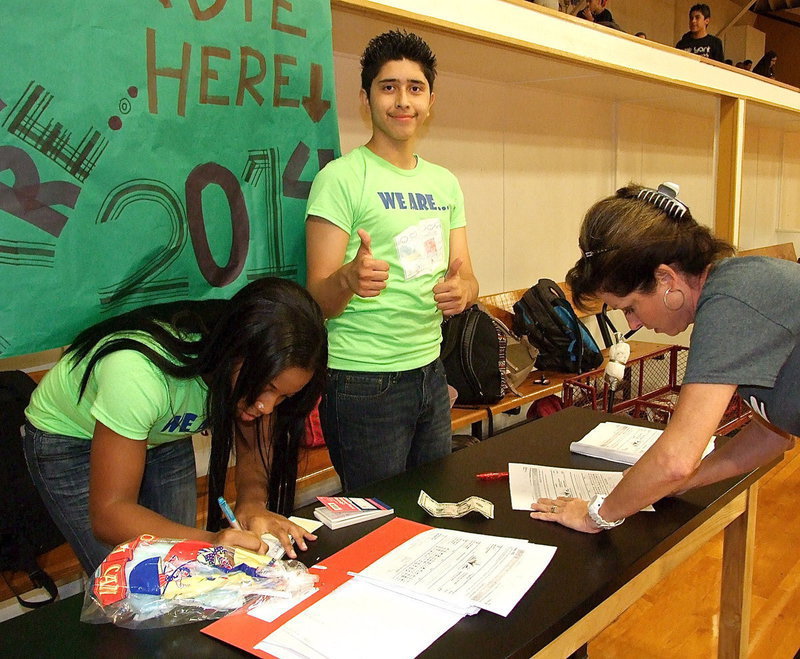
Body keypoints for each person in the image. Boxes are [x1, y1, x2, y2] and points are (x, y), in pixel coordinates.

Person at [530, 183, 797, 532]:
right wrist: (673, 483)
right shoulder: (737, 289)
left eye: (631, 307)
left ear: (665, 279)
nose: (634, 323)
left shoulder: (730, 304)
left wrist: (596, 514)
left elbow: (676, 460)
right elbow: (771, 436)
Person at [24, 277, 327, 573]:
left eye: (284, 396)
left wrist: (253, 504)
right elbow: (110, 515)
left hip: (160, 432)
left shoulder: (252, 366)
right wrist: (212, 541)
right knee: (133, 584)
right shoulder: (137, 373)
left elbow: (253, 442)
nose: (267, 406)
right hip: (71, 440)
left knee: (181, 576)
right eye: (268, 387)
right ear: (234, 352)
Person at [305, 30, 479, 491]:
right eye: (388, 87)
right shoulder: (340, 179)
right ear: (366, 99)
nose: (403, 101)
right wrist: (347, 277)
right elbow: (315, 299)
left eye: (415, 88)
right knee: (380, 524)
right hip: (363, 381)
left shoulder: (445, 184)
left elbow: (468, 276)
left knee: (433, 505)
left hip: (430, 370)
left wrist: (463, 291)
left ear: (430, 99)